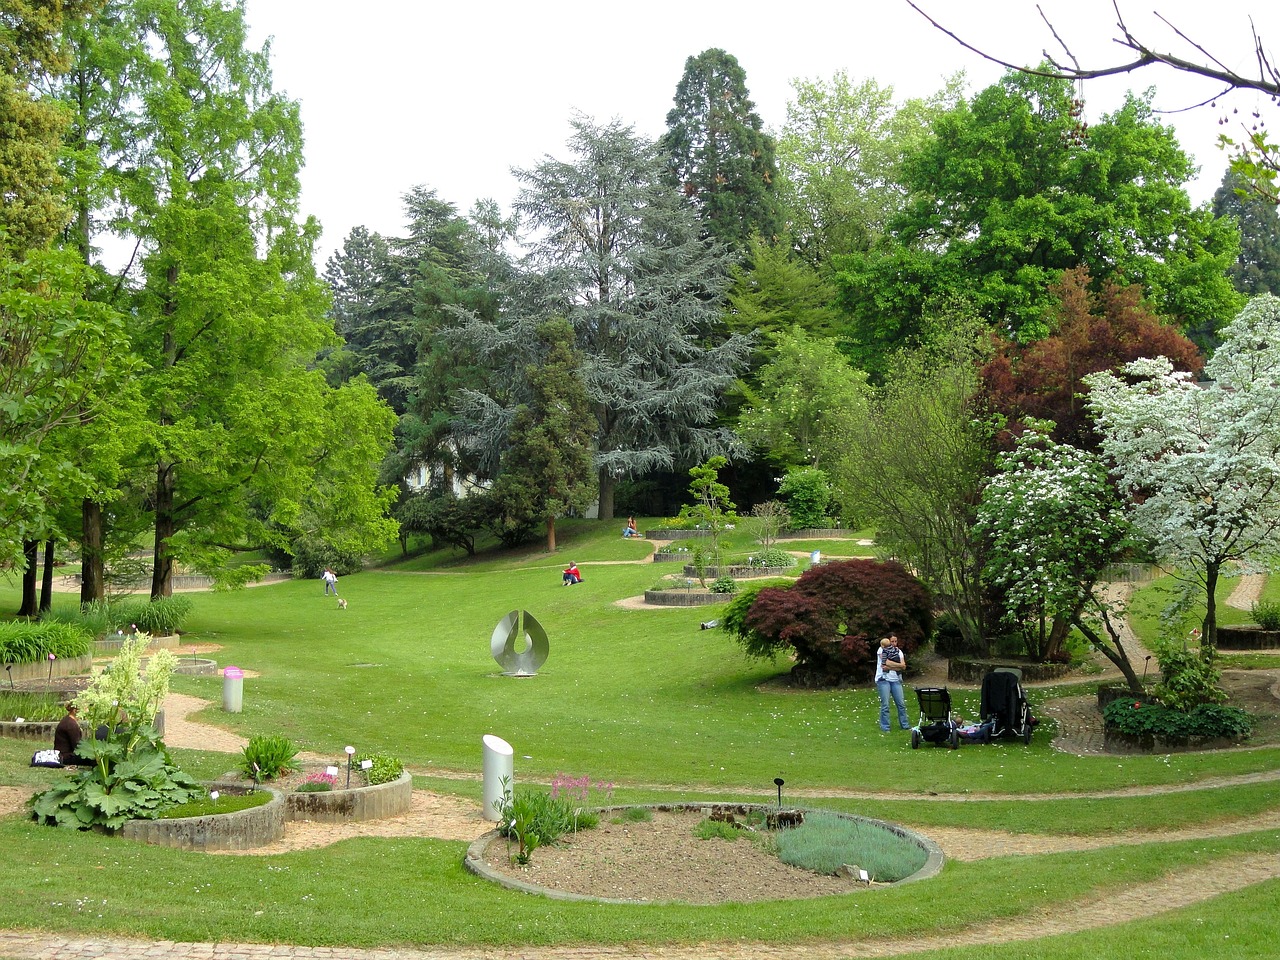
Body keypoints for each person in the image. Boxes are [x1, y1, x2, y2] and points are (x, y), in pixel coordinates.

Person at [874, 635, 909, 732]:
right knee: (885, 704)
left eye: (895, 641)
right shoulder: (882, 649)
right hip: (883, 680)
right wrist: (898, 666)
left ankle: (905, 725)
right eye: (892, 641)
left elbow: (903, 666)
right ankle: (885, 727)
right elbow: (886, 662)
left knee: (901, 704)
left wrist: (891, 667)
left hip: (895, 680)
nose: (894, 643)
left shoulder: (898, 651)